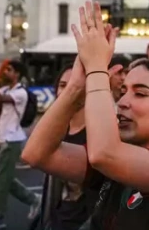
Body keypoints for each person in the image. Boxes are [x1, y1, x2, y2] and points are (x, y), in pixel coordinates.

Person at [24, 2, 149, 229]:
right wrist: (76, 86)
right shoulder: (113, 167)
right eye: (123, 91)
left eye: (140, 93)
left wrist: (97, 67)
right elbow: (36, 154)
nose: (124, 102)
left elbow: (103, 154)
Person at [0, 60, 41, 230]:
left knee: (0, 181)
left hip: (11, 141)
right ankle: (35, 200)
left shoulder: (20, 93)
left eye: (10, 70)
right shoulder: (7, 89)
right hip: (2, 140)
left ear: (18, 74)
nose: (6, 72)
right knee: (6, 179)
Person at [36, 65, 93, 230]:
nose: (68, 91)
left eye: (76, 85)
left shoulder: (98, 135)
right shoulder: (58, 131)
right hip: (57, 219)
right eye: (63, 85)